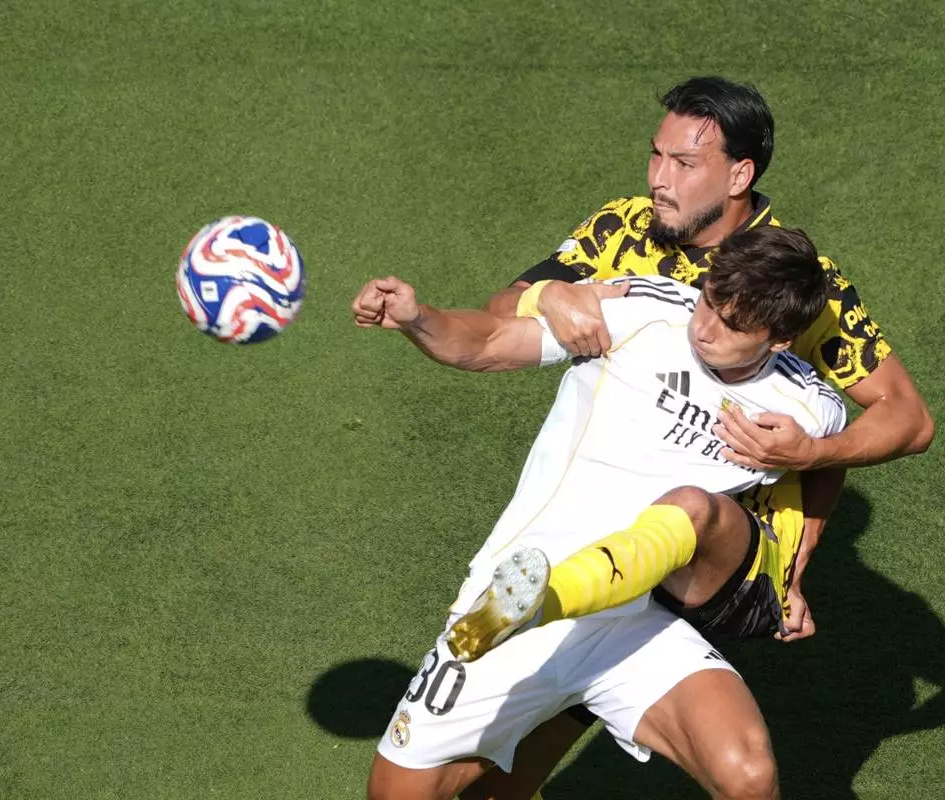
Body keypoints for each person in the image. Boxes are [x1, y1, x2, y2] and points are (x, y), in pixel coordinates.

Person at [461, 74, 935, 800]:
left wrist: (806, 491)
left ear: (740, 174)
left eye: (683, 164)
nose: (657, 179)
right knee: (506, 761)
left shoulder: (794, 281)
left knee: (549, 728)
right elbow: (500, 314)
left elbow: (904, 415)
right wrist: (550, 293)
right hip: (596, 514)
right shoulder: (620, 229)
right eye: (656, 156)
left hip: (697, 552)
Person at [353, 225, 844, 800]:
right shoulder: (642, 311)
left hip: (629, 626)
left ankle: (554, 603)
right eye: (710, 299)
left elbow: (830, 463)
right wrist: (418, 318)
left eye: (733, 324)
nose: (705, 327)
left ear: (780, 339)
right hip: (503, 609)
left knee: (749, 775)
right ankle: (536, 607)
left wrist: (795, 564)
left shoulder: (807, 406)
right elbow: (486, 344)